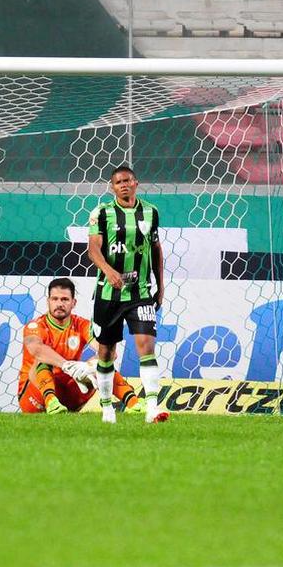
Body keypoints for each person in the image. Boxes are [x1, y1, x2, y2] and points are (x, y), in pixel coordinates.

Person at [86, 164, 168, 424]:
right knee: (106, 351)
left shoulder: (151, 212)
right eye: (118, 182)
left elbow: (156, 249)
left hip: (140, 292)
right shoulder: (101, 213)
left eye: (127, 180)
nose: (123, 185)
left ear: (136, 183)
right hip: (109, 294)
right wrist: (108, 271)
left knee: (146, 345)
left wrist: (160, 285)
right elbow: (93, 249)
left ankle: (153, 407)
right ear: (112, 187)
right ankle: (108, 406)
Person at [18, 277, 140, 414]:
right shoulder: (35, 326)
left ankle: (135, 405)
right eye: (55, 299)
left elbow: (109, 352)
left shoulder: (82, 325)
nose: (59, 304)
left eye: (64, 299)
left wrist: (90, 366)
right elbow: (37, 350)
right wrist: (67, 365)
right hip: (36, 395)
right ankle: (51, 402)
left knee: (101, 364)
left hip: (71, 391)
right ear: (48, 302)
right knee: (42, 362)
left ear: (73, 303)